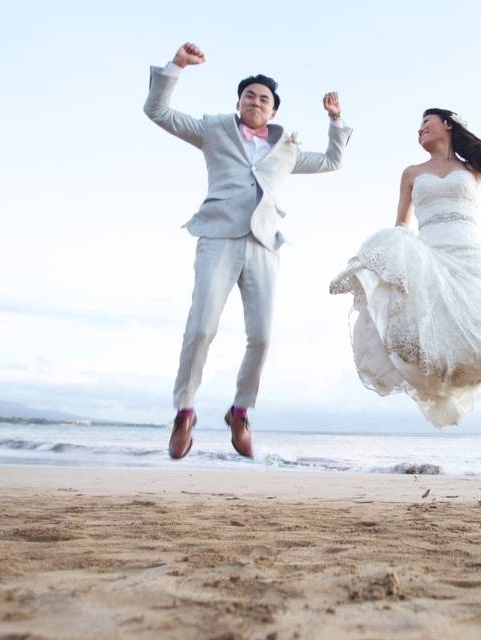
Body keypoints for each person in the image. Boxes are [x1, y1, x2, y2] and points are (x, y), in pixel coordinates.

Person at [144, 42, 352, 459]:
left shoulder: (287, 150)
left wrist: (335, 120)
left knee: (261, 336)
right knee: (201, 328)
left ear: (274, 111)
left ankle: (240, 411)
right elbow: (158, 113)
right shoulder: (214, 129)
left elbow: (332, 161)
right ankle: (184, 412)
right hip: (218, 236)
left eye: (264, 99)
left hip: (263, 244)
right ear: (238, 103)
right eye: (249, 96)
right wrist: (177, 66)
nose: (256, 102)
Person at [330, 51, 481, 427]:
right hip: (429, 255)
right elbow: (401, 224)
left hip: (467, 255)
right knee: (418, 336)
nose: (420, 130)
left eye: (426, 123)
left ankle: (459, 381)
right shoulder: (411, 173)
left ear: (447, 125)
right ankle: (424, 371)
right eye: (418, 128)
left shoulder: (472, 168)